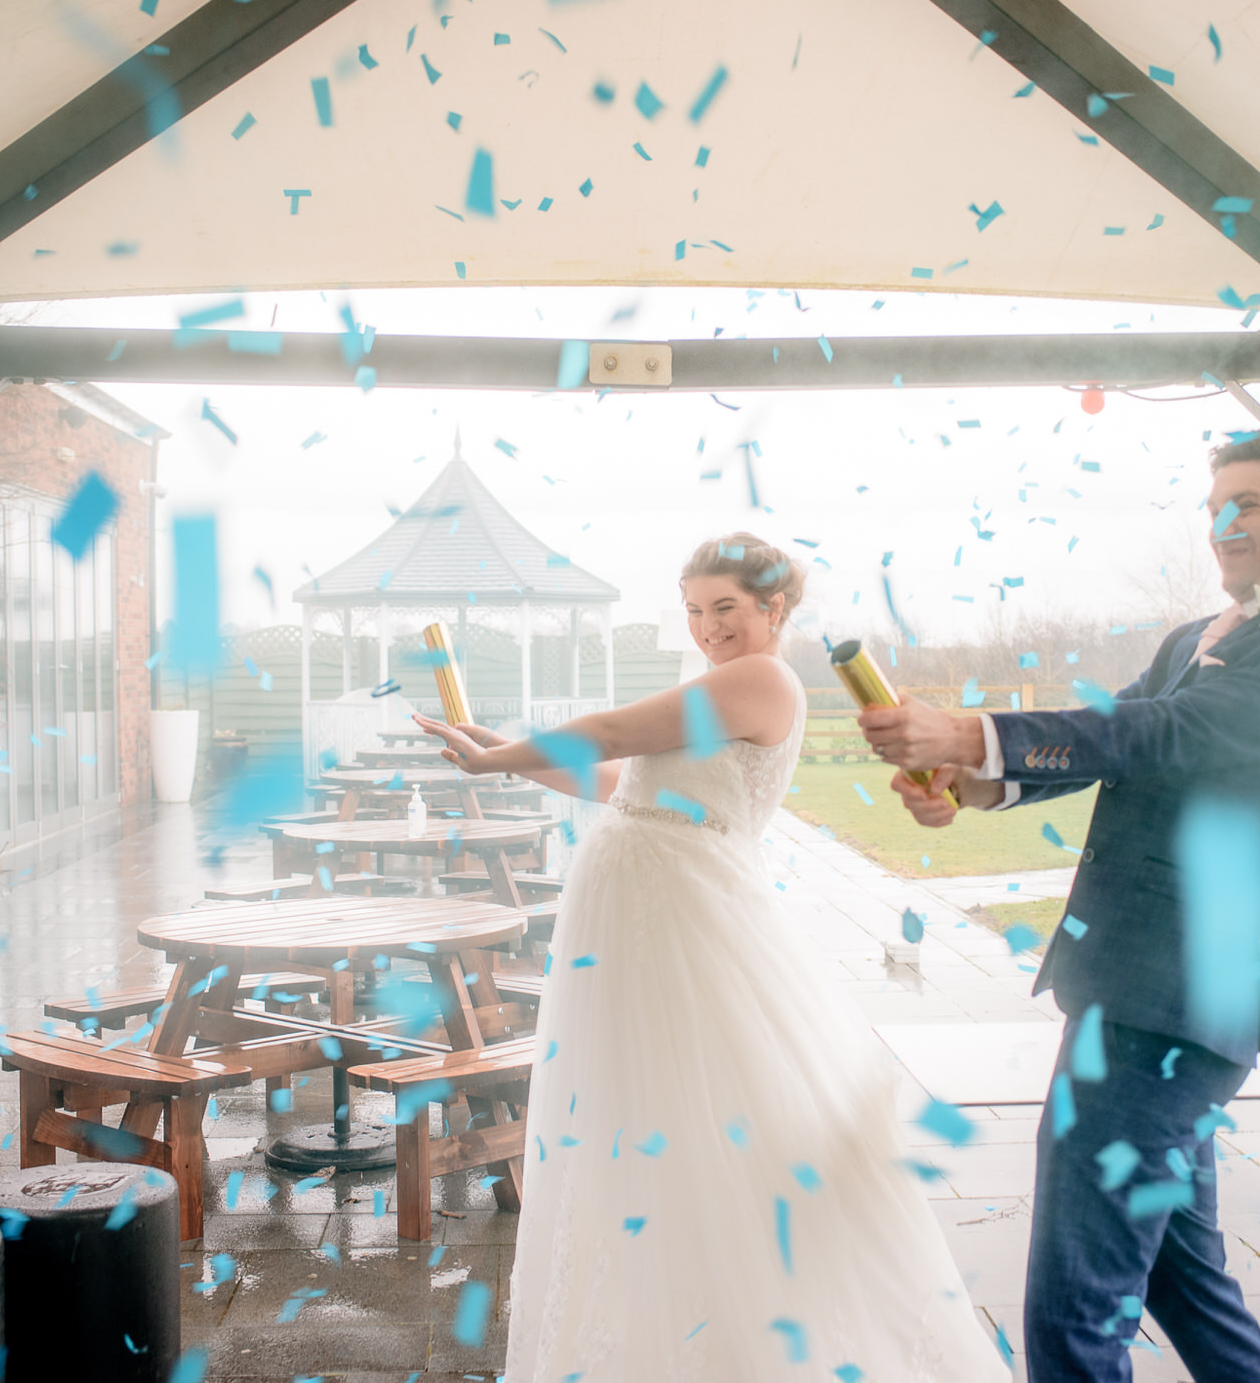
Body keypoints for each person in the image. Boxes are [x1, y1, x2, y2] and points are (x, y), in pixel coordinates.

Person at [859, 428, 1260, 1382]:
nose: (1223, 525)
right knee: (1189, 1285)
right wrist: (977, 782)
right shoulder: (1195, 636)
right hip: (1136, 997)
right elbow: (1121, 750)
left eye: (1250, 504)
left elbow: (1171, 730)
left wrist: (977, 728)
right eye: (1214, 505)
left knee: (1074, 1314)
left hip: (1166, 1010)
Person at [416, 533, 1010, 1383]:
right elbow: (622, 778)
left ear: (773, 608)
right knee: (650, 1115)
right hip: (640, 921)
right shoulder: (724, 683)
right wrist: (505, 754)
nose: (708, 628)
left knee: (711, 1116)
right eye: (695, 612)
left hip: (687, 922)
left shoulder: (762, 677)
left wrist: (499, 751)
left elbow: (617, 728)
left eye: (725, 608)